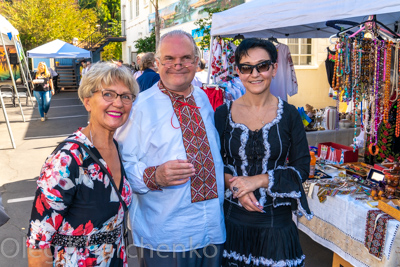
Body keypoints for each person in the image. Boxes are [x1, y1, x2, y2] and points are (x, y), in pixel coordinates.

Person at [115, 30, 226, 267]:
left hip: (211, 228)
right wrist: (153, 176)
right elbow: (119, 165)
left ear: (197, 61)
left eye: (186, 57)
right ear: (157, 63)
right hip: (167, 234)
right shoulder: (139, 108)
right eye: (169, 58)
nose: (178, 64)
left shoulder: (204, 99)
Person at [26, 62, 139, 267]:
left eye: (126, 96)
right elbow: (38, 242)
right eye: (108, 94)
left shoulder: (118, 148)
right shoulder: (67, 158)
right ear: (88, 102)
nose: (119, 103)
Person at [214, 38, 313, 267]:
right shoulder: (221, 114)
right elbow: (212, 163)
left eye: (263, 66)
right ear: (238, 71)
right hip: (232, 223)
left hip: (276, 225)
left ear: (274, 68)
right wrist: (235, 184)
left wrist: (257, 181)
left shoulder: (289, 115)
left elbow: (302, 167)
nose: (255, 74)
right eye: (247, 67)